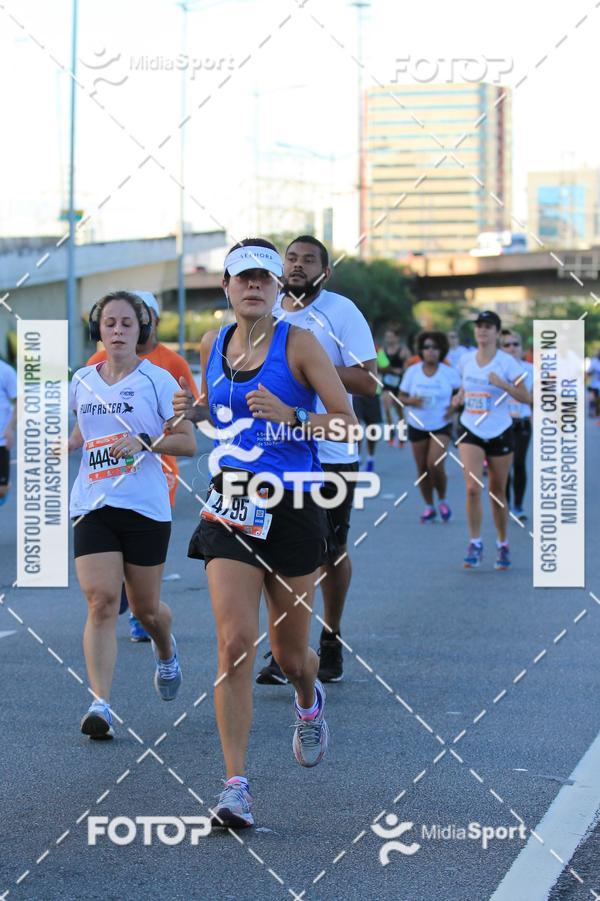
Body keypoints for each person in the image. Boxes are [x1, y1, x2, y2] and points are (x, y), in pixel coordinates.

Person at [173, 239, 356, 828]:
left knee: (289, 654)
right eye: (243, 278)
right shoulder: (211, 344)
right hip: (230, 504)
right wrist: (194, 410)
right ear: (225, 287)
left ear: (279, 289)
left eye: (265, 279)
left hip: (295, 505)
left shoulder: (298, 343)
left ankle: (308, 700)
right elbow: (219, 413)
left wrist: (295, 415)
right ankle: (235, 787)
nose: (254, 286)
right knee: (233, 645)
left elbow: (348, 421)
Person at [70, 291, 196, 739]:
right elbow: (81, 431)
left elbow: (188, 442)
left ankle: (166, 649)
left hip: (144, 505)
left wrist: (146, 441)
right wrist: (55, 445)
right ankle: (100, 704)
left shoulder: (159, 380)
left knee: (144, 609)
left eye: (127, 323)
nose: (118, 330)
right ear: (98, 330)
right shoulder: (82, 379)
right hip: (92, 504)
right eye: (110, 323)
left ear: (141, 330)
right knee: (101, 600)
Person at [256, 235, 377, 685]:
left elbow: (368, 381)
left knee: (330, 551)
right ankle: (285, 646)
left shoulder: (341, 312)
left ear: (324, 272)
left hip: (330, 450)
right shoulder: (265, 313)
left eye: (309, 260)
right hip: (277, 450)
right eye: (292, 258)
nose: (298, 265)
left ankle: (330, 634)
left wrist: (309, 366)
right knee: (277, 549)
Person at [452, 311, 530, 570]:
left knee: (497, 492)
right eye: (479, 327)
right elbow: (466, 384)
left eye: (488, 327)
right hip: (470, 428)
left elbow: (526, 397)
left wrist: (503, 385)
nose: (482, 331)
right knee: (473, 488)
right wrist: (460, 396)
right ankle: (475, 542)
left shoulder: (507, 363)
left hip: (500, 430)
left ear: (497, 332)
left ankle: (502, 542)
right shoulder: (465, 360)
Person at [399, 331, 460, 523]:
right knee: (422, 468)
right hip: (417, 424)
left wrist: (452, 408)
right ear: (421, 350)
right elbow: (400, 397)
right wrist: (412, 400)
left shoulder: (449, 372)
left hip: (441, 424)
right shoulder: (412, 371)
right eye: (426, 347)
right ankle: (429, 506)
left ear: (441, 350)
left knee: (435, 463)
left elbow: (460, 396)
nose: (430, 351)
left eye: (435, 347)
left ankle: (442, 499)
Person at [500, 329, 533, 521]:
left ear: (521, 348)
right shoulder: (495, 369)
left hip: (521, 422)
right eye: (506, 344)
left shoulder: (530, 369)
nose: (512, 348)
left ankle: (518, 506)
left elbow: (539, 395)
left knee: (518, 463)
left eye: (515, 344)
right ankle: (505, 504)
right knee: (503, 466)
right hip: (501, 424)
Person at [379, 326, 408, 447]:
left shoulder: (403, 351)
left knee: (399, 410)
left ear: (397, 338)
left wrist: (399, 371)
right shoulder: (382, 351)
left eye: (391, 337)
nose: (388, 339)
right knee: (386, 407)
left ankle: (402, 435)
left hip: (400, 385)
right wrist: (385, 370)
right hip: (387, 384)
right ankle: (391, 433)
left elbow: (408, 369)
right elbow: (378, 366)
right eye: (387, 337)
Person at [0, 357, 17, 507]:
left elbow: (20, 400)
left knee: (1, 490)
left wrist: (10, 427)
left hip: (1, 440)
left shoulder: (5, 371)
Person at [352, 388, 382, 471]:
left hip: (373, 393)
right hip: (356, 394)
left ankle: (370, 458)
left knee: (372, 428)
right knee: (356, 426)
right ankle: (358, 457)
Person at [587, 349, 600, 419]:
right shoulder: (594, 361)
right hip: (594, 384)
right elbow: (589, 372)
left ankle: (597, 411)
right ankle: (592, 410)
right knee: (592, 398)